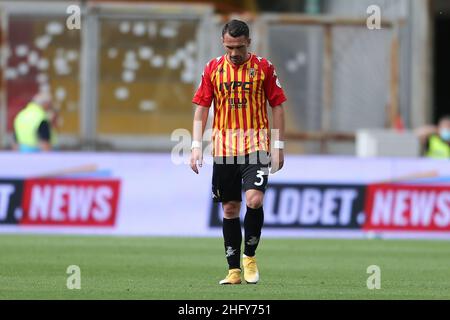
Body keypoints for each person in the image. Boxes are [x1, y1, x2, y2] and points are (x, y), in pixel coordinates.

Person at [190, 19, 287, 284]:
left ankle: (250, 257)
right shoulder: (212, 69)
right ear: (223, 43)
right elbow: (202, 108)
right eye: (230, 47)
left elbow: (277, 106)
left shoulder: (264, 68)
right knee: (230, 209)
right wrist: (196, 145)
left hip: (256, 146)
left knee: (254, 201)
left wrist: (278, 145)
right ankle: (233, 271)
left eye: (239, 48)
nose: (234, 53)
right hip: (223, 149)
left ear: (249, 43)